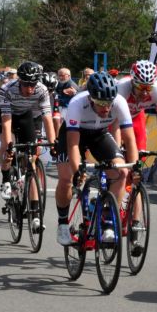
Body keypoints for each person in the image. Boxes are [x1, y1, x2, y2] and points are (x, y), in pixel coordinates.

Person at [54, 72, 138, 246]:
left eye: (109, 103)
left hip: (99, 134)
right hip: (74, 136)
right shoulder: (77, 103)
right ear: (91, 98)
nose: (106, 108)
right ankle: (62, 224)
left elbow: (130, 140)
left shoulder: (120, 102)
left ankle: (107, 221)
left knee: (122, 172)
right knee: (66, 178)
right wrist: (78, 171)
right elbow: (73, 145)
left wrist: (135, 167)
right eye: (101, 104)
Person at [0, 62, 57, 233]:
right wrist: (9, 146)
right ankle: (5, 179)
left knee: (32, 162)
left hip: (26, 116)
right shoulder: (7, 90)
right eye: (26, 84)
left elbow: (47, 118)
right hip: (9, 115)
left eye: (32, 84)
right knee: (7, 143)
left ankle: (36, 215)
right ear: (19, 81)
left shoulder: (42, 90)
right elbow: (6, 121)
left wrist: (53, 143)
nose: (29, 89)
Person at [116, 60, 157, 168]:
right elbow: (114, 123)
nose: (145, 93)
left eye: (149, 87)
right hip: (116, 119)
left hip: (137, 116)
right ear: (133, 82)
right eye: (141, 87)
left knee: (140, 158)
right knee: (116, 158)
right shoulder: (122, 88)